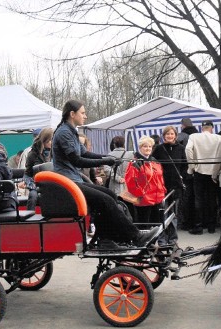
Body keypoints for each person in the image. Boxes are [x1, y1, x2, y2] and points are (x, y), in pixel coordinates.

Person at [52, 99, 158, 247]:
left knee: (111, 195)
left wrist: (109, 158)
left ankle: (106, 239)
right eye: (82, 113)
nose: (85, 116)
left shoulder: (71, 131)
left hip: (74, 180)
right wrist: (105, 161)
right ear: (72, 114)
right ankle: (135, 236)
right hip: (67, 182)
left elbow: (86, 154)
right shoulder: (64, 133)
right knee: (105, 200)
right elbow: (77, 160)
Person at [152, 125, 188, 246]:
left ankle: (172, 238)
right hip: (161, 185)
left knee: (173, 213)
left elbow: (185, 165)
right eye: (167, 134)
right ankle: (162, 238)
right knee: (162, 212)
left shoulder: (181, 148)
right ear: (164, 136)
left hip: (176, 186)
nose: (170, 136)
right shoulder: (159, 149)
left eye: (172, 134)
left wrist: (181, 176)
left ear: (175, 135)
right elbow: (153, 164)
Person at [185, 120, 221, 234]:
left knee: (199, 199)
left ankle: (199, 226)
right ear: (212, 128)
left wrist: (192, 166)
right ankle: (211, 226)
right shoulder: (219, 138)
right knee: (212, 199)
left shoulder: (194, 136)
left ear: (202, 128)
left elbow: (187, 149)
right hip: (214, 172)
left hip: (199, 171)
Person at [125, 136, 166, 224]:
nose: (148, 148)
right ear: (140, 148)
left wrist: (162, 190)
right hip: (143, 202)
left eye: (150, 146)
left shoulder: (154, 161)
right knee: (144, 226)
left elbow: (160, 178)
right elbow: (130, 182)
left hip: (157, 199)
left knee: (157, 226)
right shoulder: (135, 163)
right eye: (145, 146)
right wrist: (141, 194)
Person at [24, 128, 54, 210]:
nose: (52, 142)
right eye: (50, 140)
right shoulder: (33, 154)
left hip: (54, 183)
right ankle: (29, 216)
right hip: (37, 184)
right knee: (33, 195)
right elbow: (27, 174)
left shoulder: (57, 153)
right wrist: (31, 185)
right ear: (44, 140)